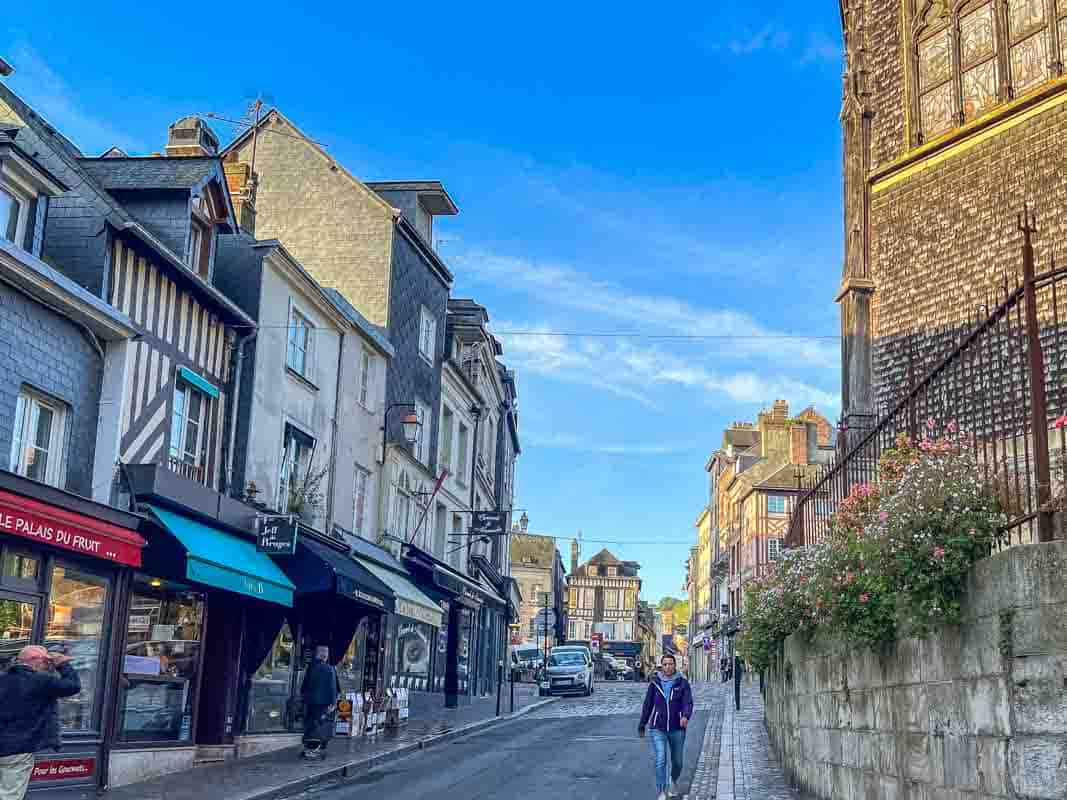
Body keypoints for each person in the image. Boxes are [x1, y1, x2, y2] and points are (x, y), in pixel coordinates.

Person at [0, 646, 81, 800]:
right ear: (35, 661)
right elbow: (73, 686)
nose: (48, 666)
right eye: (46, 661)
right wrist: (62, 664)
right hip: (18, 749)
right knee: (10, 794)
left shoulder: (3, 679)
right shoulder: (41, 681)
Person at [638, 654, 694, 800]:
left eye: (670, 664)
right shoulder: (654, 684)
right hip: (658, 728)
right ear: (661, 666)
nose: (668, 667)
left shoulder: (682, 683)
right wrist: (642, 724)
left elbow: (688, 702)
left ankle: (673, 780)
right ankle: (662, 790)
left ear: (675, 665)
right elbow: (647, 705)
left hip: (677, 728)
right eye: (665, 664)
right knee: (661, 759)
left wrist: (685, 716)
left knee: (678, 762)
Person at [300, 646, 340, 760]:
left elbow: (304, 686)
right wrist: (332, 703)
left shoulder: (310, 667)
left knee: (310, 725)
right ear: (324, 655)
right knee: (320, 726)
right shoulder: (329, 669)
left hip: (310, 703)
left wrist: (304, 698)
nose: (327, 655)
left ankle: (308, 749)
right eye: (326, 653)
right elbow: (333, 688)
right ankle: (314, 749)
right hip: (323, 704)